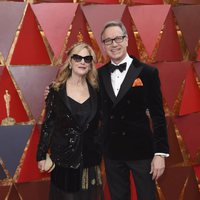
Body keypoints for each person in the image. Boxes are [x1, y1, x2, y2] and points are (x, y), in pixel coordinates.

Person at [98, 20, 169, 200]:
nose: (114, 44)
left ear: (127, 39)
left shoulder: (148, 72)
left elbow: (158, 115)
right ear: (104, 45)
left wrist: (160, 153)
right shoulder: (98, 75)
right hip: (113, 153)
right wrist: (53, 91)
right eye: (108, 41)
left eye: (118, 39)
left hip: (142, 151)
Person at [37, 42, 104, 200]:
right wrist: (41, 155)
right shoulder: (56, 91)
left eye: (87, 59)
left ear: (90, 64)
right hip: (64, 161)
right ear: (70, 61)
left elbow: (104, 121)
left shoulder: (97, 91)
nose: (82, 61)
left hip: (90, 160)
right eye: (77, 57)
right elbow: (48, 125)